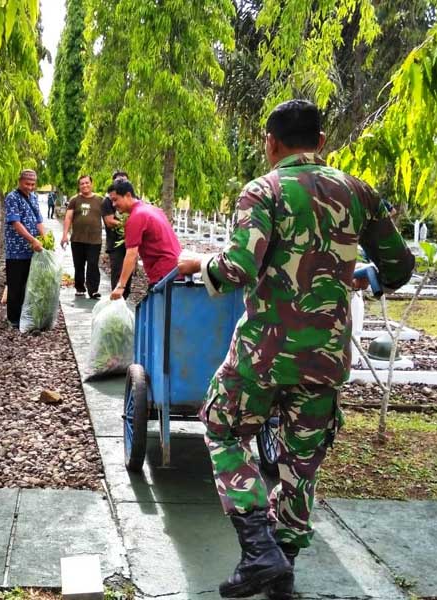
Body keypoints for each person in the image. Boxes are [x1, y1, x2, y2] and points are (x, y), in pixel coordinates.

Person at [177, 100, 415, 599]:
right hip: (326, 357)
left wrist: (200, 265)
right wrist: (361, 276)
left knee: (221, 428)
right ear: (322, 142)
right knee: (300, 462)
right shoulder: (359, 193)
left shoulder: (262, 190)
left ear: (272, 143)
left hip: (263, 353)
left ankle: (260, 550)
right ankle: (282, 567)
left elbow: (240, 265)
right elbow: (399, 267)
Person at [108, 180, 181, 300]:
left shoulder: (136, 217)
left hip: (164, 272)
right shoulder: (153, 209)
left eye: (116, 200)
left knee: (162, 314)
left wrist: (121, 286)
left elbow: (131, 254)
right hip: (177, 268)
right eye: (112, 201)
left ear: (128, 195)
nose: (113, 204)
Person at [4, 169, 46, 326]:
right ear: (20, 181)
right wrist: (32, 239)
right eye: (27, 184)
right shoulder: (12, 198)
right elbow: (15, 222)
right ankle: (13, 319)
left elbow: (38, 220)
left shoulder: (34, 197)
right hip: (16, 250)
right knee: (16, 285)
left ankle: (26, 316)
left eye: (33, 184)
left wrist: (45, 239)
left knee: (30, 284)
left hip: (32, 250)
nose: (30, 187)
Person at [61, 175, 104, 299]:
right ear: (79, 186)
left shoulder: (100, 200)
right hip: (77, 239)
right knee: (79, 265)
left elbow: (106, 218)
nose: (85, 185)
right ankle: (80, 287)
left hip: (95, 240)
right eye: (82, 184)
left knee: (93, 264)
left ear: (92, 183)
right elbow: (68, 217)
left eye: (87, 183)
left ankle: (93, 290)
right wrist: (65, 235)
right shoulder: (75, 200)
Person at [102, 171, 133, 299]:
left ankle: (124, 297)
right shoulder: (108, 202)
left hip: (130, 242)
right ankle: (117, 299)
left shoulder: (133, 202)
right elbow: (109, 221)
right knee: (117, 273)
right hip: (115, 244)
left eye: (123, 181)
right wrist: (126, 224)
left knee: (128, 272)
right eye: (118, 181)